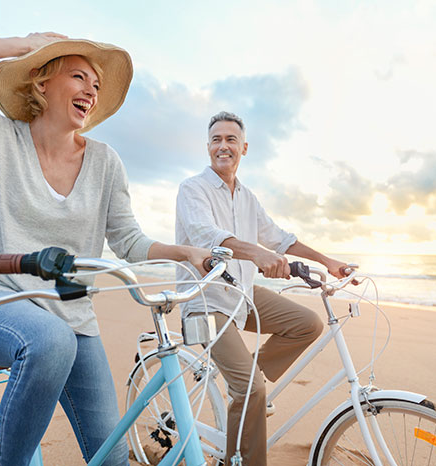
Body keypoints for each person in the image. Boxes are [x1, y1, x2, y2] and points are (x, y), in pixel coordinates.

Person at [0, 32, 209, 466]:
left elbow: (127, 240)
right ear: (41, 83)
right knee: (50, 341)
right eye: (79, 76)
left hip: (72, 318)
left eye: (97, 85)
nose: (91, 90)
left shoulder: (106, 162)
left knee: (112, 457)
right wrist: (18, 45)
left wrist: (185, 253)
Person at [175, 111, 353, 465]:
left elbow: (279, 238)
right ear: (208, 147)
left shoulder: (247, 196)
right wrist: (257, 254)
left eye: (230, 140)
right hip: (204, 300)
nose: (222, 146)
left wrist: (327, 261)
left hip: (240, 293)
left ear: (244, 147)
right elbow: (207, 237)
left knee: (307, 324)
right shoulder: (192, 189)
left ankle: (246, 378)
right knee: (251, 390)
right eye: (216, 140)